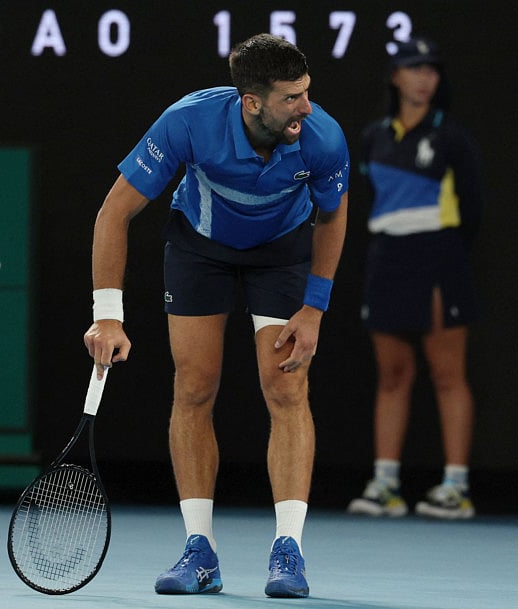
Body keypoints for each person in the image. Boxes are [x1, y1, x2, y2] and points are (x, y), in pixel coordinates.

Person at [83, 33, 349, 597]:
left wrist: (314, 308)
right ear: (251, 102)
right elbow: (114, 212)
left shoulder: (322, 137)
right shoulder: (188, 122)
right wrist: (107, 314)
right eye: (291, 98)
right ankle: (199, 551)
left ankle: (289, 552)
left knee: (286, 392)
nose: (306, 107)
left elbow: (332, 217)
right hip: (199, 250)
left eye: (307, 93)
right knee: (195, 388)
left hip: (280, 256)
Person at [346, 37, 482, 520]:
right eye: (414, 68)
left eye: (431, 69)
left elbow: (472, 210)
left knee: (447, 374)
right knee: (392, 376)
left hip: (439, 256)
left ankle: (456, 487)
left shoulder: (452, 137)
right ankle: (386, 486)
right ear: (395, 77)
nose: (424, 77)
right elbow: (369, 200)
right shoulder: (373, 136)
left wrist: (443, 254)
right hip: (387, 257)